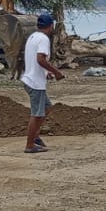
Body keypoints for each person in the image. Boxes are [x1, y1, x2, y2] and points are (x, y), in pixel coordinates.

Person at [21, 12, 64, 153]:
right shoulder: (44, 39)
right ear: (51, 26)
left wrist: (46, 72)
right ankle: (30, 145)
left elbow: (35, 60)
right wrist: (56, 72)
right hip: (35, 83)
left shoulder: (33, 37)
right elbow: (40, 59)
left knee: (47, 107)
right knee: (37, 114)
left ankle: (35, 136)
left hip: (31, 79)